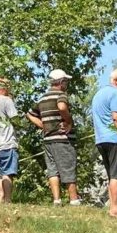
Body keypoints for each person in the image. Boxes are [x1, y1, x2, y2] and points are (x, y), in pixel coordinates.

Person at [27, 69, 82, 206]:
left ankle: (56, 200)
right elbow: (62, 107)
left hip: (48, 139)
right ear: (61, 82)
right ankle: (74, 200)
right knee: (68, 167)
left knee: (52, 170)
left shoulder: (42, 98)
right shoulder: (61, 95)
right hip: (62, 138)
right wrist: (68, 122)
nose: (67, 84)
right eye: (66, 81)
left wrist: (43, 125)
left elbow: (29, 114)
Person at [92, 67, 117, 218]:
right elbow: (116, 117)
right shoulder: (115, 93)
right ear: (116, 80)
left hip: (101, 140)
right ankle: (115, 210)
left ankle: (113, 208)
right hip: (115, 139)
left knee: (112, 175)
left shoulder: (98, 94)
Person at [0, 79, 20, 204]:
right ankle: (8, 200)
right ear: (4, 88)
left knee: (2, 174)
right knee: (8, 174)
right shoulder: (7, 100)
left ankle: (0, 200)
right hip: (7, 141)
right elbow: (15, 119)